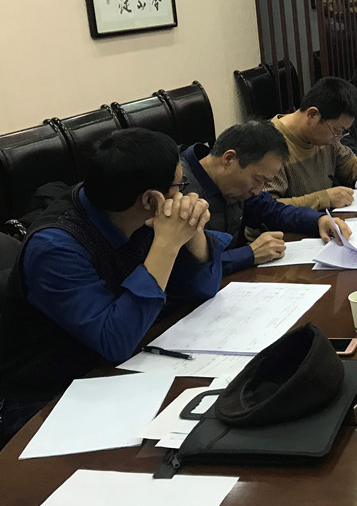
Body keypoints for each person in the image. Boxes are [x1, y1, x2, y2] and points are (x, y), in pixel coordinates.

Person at [0, 128, 229, 447]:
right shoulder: (55, 248)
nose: (183, 195)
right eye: (180, 186)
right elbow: (115, 339)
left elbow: (202, 288)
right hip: (46, 400)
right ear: (151, 199)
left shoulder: (136, 213)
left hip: (120, 372)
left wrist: (192, 231)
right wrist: (166, 244)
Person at [180, 121, 348, 275]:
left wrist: (318, 220)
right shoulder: (179, 189)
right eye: (258, 180)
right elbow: (184, 272)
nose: (257, 191)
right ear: (229, 159)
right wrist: (249, 254)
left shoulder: (235, 185)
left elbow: (271, 210)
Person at [267, 76, 357, 210]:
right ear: (312, 115)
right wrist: (324, 199)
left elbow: (350, 164)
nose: (337, 138)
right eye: (336, 131)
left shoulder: (325, 138)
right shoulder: (270, 145)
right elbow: (267, 207)